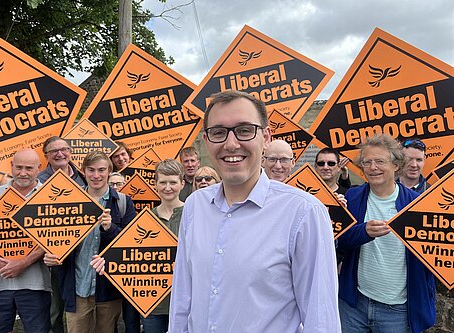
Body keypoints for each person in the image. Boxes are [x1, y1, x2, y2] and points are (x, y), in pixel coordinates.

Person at [169, 90, 340, 332]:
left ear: (266, 136)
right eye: (218, 132)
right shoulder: (195, 206)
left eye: (244, 130)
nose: (231, 144)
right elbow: (183, 296)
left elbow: (320, 318)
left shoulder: (304, 213)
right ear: (207, 141)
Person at [338, 134, 436, 333]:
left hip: (397, 309)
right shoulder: (353, 196)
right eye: (367, 162)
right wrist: (362, 231)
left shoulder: (416, 204)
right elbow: (342, 241)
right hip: (354, 303)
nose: (373, 167)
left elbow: (431, 254)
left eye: (380, 161)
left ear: (396, 165)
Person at [44, 151, 137, 333]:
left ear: (109, 171)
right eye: (91, 170)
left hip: (108, 290)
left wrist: (110, 229)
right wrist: (52, 256)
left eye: (101, 170)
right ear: (83, 172)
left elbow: (130, 246)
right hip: (78, 288)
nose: (96, 175)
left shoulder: (123, 202)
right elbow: (56, 240)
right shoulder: (68, 202)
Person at [92, 158, 185, 333]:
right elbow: (129, 255)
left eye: (173, 182)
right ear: (155, 184)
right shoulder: (145, 219)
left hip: (185, 304)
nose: (168, 187)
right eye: (163, 182)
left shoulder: (193, 214)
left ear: (182, 183)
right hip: (152, 305)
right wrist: (108, 262)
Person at [0, 148, 52, 332]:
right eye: (19, 167)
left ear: (39, 168)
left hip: (36, 285)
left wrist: (22, 263)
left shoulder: (49, 195)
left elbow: (54, 240)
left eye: (29, 168)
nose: (23, 173)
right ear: (11, 166)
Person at [38, 135, 86, 333]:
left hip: (81, 253)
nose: (60, 153)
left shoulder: (83, 177)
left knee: (81, 304)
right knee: (54, 308)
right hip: (52, 256)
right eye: (53, 151)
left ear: (70, 151)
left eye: (63, 149)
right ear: (46, 156)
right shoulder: (39, 181)